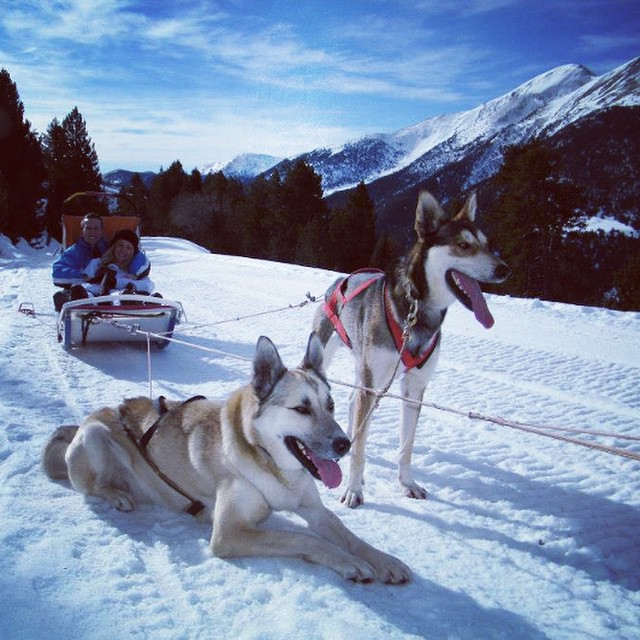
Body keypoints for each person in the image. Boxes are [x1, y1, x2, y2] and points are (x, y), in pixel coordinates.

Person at [52, 214, 149, 310]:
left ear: (102, 231)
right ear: (82, 231)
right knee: (82, 293)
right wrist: (85, 277)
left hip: (118, 292)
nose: (92, 232)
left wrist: (135, 274)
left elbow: (141, 263)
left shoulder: (112, 247)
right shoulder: (76, 253)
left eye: (96, 228)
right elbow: (59, 271)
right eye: (88, 228)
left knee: (127, 294)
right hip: (90, 288)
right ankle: (82, 302)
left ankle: (144, 304)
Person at [69, 229, 155, 301]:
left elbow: (149, 285)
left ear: (133, 252)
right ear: (113, 247)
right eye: (120, 245)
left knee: (124, 295)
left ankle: (151, 307)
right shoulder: (97, 264)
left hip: (122, 304)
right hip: (95, 302)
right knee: (86, 293)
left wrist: (119, 283)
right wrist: (99, 283)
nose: (123, 250)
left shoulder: (133, 270)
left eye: (128, 247)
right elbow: (82, 283)